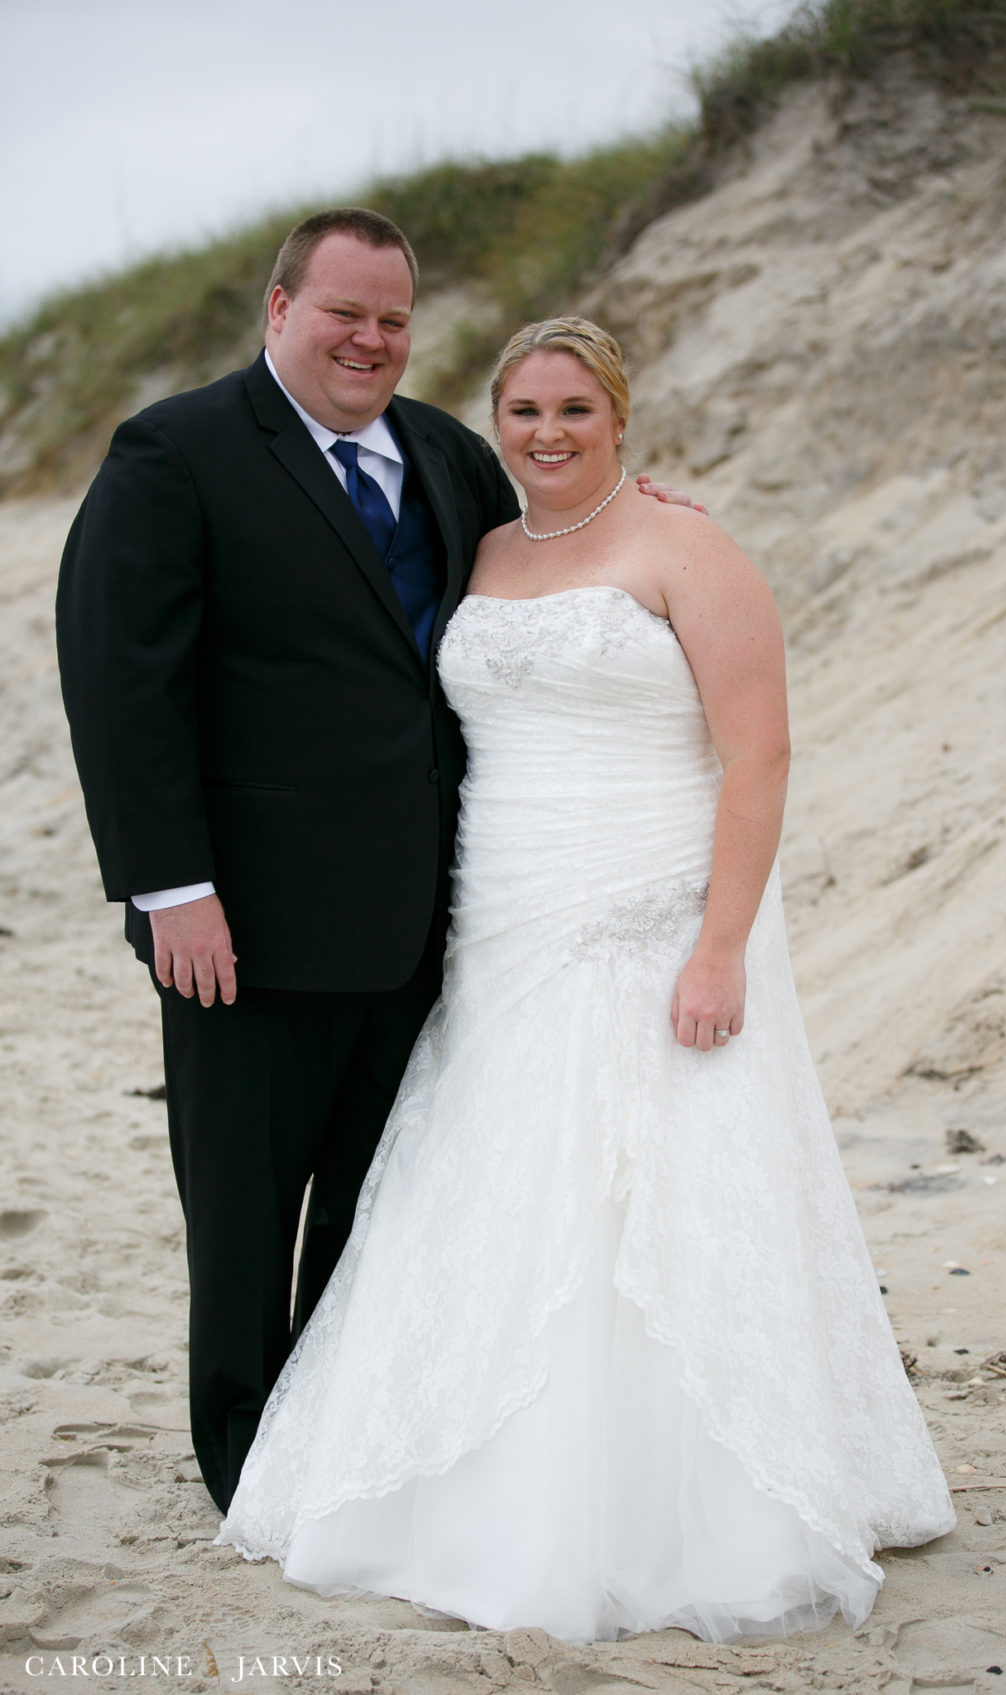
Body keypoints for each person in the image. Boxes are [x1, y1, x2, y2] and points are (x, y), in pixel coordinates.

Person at [217, 318, 955, 1641]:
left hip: (649, 912)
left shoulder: (689, 548)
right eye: (524, 412)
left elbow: (760, 757)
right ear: (494, 425)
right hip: (498, 915)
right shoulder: (484, 549)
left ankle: (677, 1505)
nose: (548, 434)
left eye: (574, 410)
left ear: (619, 417)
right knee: (497, 1178)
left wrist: (718, 946)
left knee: (649, 1186)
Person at [55, 209, 692, 1515]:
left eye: (394, 319)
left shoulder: (447, 455)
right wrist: (171, 888)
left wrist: (646, 511)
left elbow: (551, 550)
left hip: (424, 922)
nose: (370, 339)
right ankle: (243, 1466)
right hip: (243, 928)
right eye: (344, 312)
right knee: (244, 1214)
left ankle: (334, 1440)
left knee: (379, 1206)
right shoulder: (176, 452)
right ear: (279, 308)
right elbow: (120, 683)